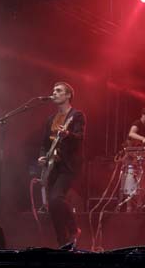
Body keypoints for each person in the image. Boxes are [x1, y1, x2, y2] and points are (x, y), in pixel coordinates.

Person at [38, 82, 85, 247]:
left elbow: (80, 137)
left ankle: (74, 228)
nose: (54, 93)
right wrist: (42, 156)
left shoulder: (76, 115)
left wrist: (67, 134)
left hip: (68, 166)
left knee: (56, 198)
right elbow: (44, 143)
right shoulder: (50, 119)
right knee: (52, 206)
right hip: (52, 167)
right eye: (53, 91)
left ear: (68, 95)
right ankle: (62, 244)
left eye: (58, 91)